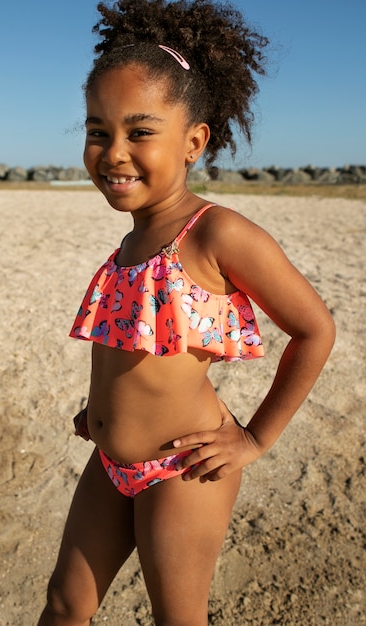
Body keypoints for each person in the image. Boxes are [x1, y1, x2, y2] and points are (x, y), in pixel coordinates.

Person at [38, 1, 335, 624]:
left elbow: (314, 329)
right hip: (109, 460)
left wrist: (254, 437)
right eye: (98, 131)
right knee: (66, 604)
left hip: (185, 465)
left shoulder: (214, 232)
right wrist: (104, 409)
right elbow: (139, 346)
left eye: (140, 132)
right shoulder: (128, 242)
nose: (114, 151)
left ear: (193, 141)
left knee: (178, 617)